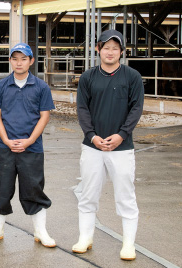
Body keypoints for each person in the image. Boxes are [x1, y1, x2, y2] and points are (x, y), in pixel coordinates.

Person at [73, 29, 144, 260]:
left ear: (122, 51)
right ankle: (85, 238)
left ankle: (128, 244)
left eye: (115, 48)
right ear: (98, 49)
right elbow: (82, 109)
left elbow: (136, 108)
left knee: (126, 195)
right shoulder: (88, 77)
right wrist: (92, 135)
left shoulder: (132, 77)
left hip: (121, 147)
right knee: (88, 193)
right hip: (92, 146)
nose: (110, 52)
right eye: (106, 47)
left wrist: (122, 135)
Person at [0, 43, 56, 248]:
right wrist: (6, 140)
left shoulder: (41, 87)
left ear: (31, 61)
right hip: (6, 147)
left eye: (23, 58)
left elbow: (44, 116)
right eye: (15, 58)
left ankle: (40, 231)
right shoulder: (0, 87)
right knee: (0, 188)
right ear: (10, 61)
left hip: (31, 148)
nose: (19, 62)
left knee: (33, 189)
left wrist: (30, 140)